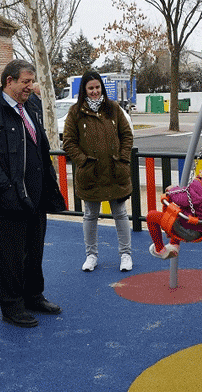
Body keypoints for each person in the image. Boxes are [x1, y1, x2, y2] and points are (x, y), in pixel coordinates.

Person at [0, 59, 67, 328]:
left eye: (32, 81)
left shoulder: (31, 107)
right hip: (4, 201)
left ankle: (34, 296)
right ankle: (12, 307)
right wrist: (8, 188)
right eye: (25, 82)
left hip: (34, 198)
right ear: (8, 81)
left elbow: (39, 148)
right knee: (8, 257)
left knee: (33, 252)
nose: (30, 86)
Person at [63, 71, 135, 273]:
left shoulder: (113, 108)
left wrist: (123, 159)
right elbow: (69, 142)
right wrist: (83, 162)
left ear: (101, 87)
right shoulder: (76, 112)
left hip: (115, 171)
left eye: (97, 87)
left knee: (120, 214)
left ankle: (125, 254)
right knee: (90, 215)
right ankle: (91, 255)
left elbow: (126, 135)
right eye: (90, 88)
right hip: (91, 174)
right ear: (84, 90)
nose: (95, 91)